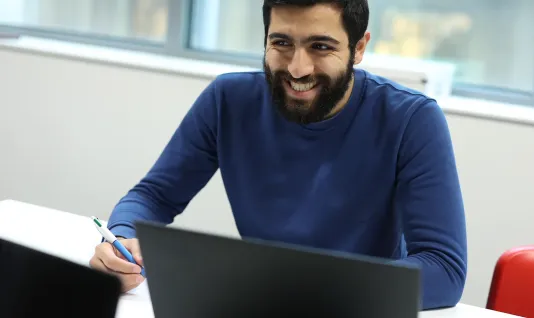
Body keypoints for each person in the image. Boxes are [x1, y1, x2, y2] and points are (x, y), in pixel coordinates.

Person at [89, 0, 468, 310]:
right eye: (281, 43)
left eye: (321, 46)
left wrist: (308, 291)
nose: (296, 68)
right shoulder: (227, 100)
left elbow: (444, 268)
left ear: (359, 47)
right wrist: (121, 244)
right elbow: (154, 196)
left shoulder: (411, 119)